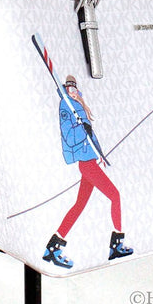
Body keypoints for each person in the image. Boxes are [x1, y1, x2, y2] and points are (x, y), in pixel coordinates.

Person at [42, 76, 133, 269]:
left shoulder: (78, 105)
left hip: (90, 160)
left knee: (79, 205)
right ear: (66, 90)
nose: (73, 92)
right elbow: (68, 136)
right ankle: (116, 244)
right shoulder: (66, 106)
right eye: (69, 89)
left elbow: (90, 135)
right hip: (85, 163)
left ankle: (52, 248)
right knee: (115, 196)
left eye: (75, 89)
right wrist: (81, 129)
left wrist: (99, 154)